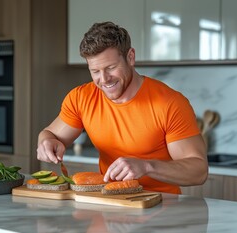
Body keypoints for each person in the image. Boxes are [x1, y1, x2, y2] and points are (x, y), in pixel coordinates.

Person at [36, 21, 208, 194]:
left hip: (160, 204)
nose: (104, 79)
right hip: (109, 200)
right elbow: (50, 134)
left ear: (130, 57)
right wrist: (46, 142)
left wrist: (147, 166)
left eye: (111, 68)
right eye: (95, 71)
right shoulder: (81, 98)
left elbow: (198, 171)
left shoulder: (170, 103)